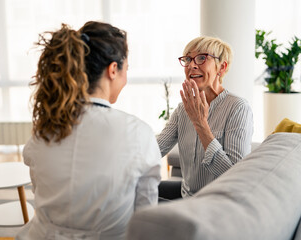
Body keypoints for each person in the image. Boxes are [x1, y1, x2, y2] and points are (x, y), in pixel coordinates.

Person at [16, 21, 161, 240]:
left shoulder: (44, 130)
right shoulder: (139, 134)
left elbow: (41, 194)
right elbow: (145, 218)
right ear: (113, 69)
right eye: (126, 69)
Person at [157, 36, 253, 200]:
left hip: (216, 205)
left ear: (221, 68)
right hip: (187, 197)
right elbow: (155, 149)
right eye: (187, 59)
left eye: (202, 58)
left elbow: (235, 176)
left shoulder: (238, 108)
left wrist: (200, 123)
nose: (192, 65)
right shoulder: (183, 109)